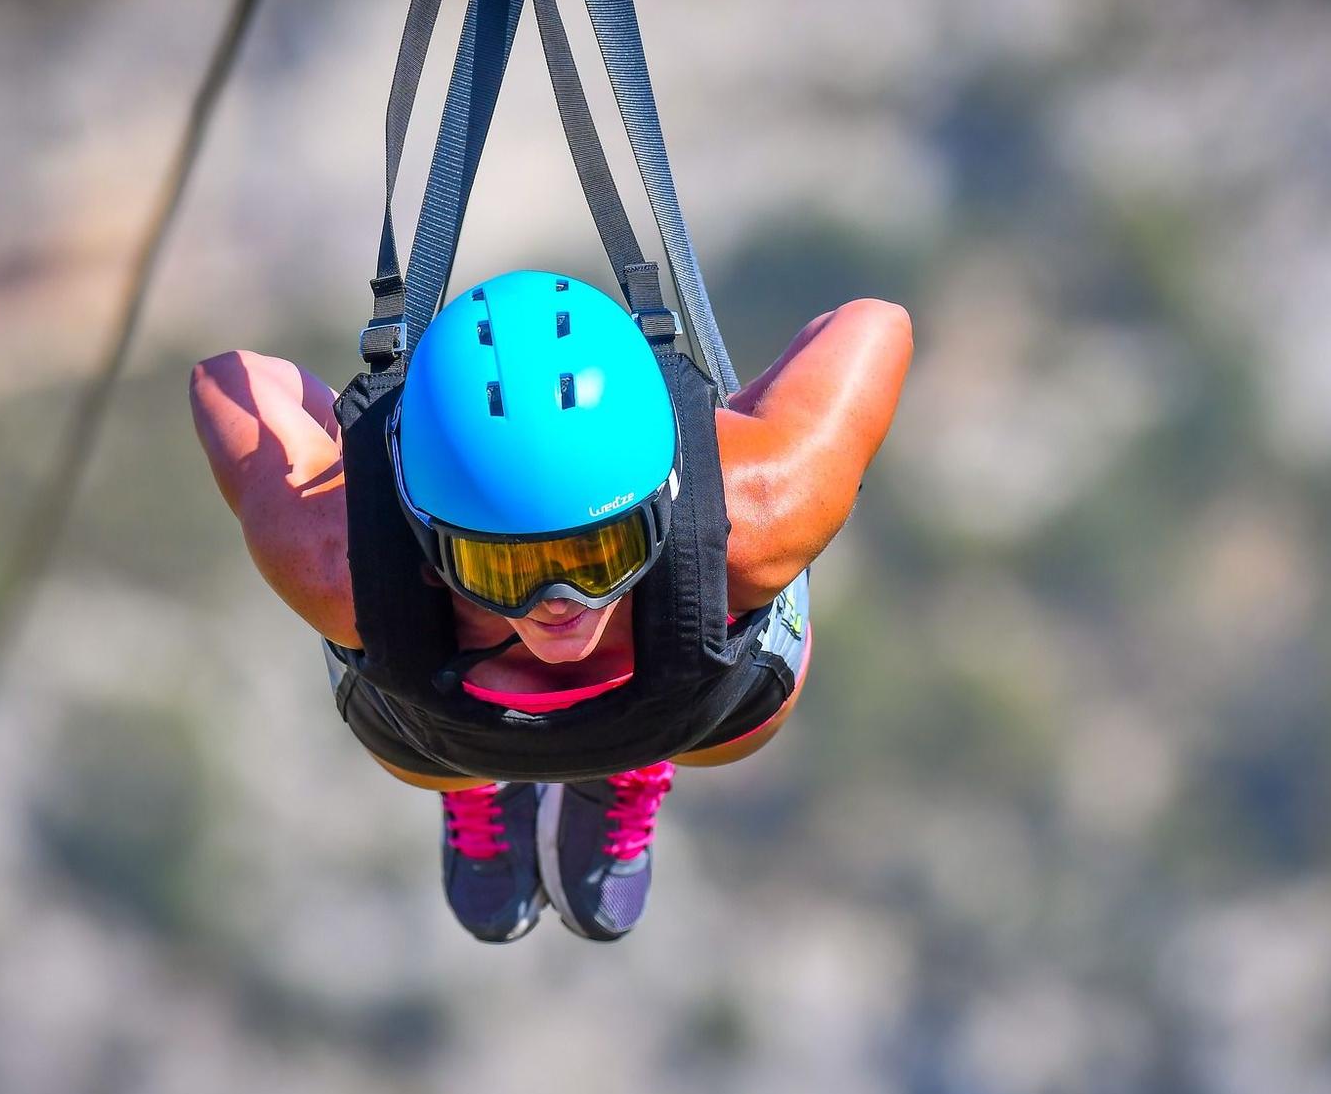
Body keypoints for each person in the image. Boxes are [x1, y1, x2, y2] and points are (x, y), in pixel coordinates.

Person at [190, 271, 910, 942]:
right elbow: (871, 323)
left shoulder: (329, 557)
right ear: (429, 539)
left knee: (375, 639)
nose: (559, 606)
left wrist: (356, 465)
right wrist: (739, 438)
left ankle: (509, 772)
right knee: (746, 614)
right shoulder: (763, 512)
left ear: (662, 507)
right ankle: (608, 756)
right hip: (702, 714)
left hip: (438, 740)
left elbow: (227, 377)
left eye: (598, 557)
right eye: (506, 569)